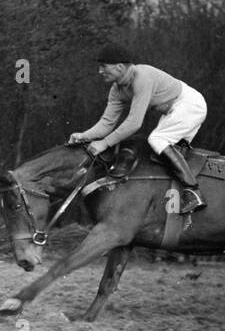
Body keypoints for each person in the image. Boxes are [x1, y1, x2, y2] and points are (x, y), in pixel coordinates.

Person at [67, 41, 209, 213]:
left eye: (104, 66)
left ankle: (194, 192)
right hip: (175, 110)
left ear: (120, 67)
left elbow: (134, 123)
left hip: (189, 104)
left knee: (157, 139)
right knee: (163, 152)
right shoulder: (116, 90)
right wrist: (84, 135)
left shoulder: (142, 77)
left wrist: (104, 144)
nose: (100, 71)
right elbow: (106, 124)